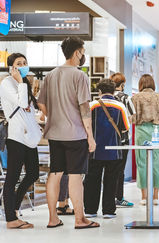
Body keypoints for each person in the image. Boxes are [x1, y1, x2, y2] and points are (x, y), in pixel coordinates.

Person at [38, 36, 99, 229]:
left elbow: (41, 103)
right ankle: (80, 219)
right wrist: (90, 135)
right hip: (75, 134)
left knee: (55, 173)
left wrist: (54, 117)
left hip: (54, 134)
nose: (83, 56)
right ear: (77, 53)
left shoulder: (51, 75)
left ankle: (52, 218)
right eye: (82, 52)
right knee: (75, 175)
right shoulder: (80, 75)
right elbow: (84, 108)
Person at [0, 53, 42, 229]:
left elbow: (29, 110)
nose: (23, 65)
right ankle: (11, 218)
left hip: (29, 138)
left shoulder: (23, 83)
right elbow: (22, 102)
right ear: (12, 67)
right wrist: (19, 81)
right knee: (13, 177)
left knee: (33, 173)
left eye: (25, 62)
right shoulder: (7, 83)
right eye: (19, 63)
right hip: (17, 137)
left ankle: (14, 209)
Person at [84, 79, 130, 218]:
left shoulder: (92, 105)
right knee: (111, 180)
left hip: (94, 149)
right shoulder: (120, 106)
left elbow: (86, 125)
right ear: (114, 91)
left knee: (92, 179)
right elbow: (125, 128)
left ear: (99, 91)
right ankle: (109, 211)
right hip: (114, 149)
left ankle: (90, 210)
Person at [132, 74, 159, 205]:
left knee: (141, 162)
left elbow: (132, 118)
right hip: (156, 131)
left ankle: (144, 197)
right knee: (156, 162)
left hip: (141, 131)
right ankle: (156, 197)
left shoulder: (135, 97)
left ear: (140, 84)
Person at [109, 72, 135, 207]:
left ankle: (108, 198)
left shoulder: (107, 97)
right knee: (120, 169)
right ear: (123, 85)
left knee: (109, 168)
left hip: (108, 138)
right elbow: (131, 118)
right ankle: (119, 197)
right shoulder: (125, 98)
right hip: (123, 138)